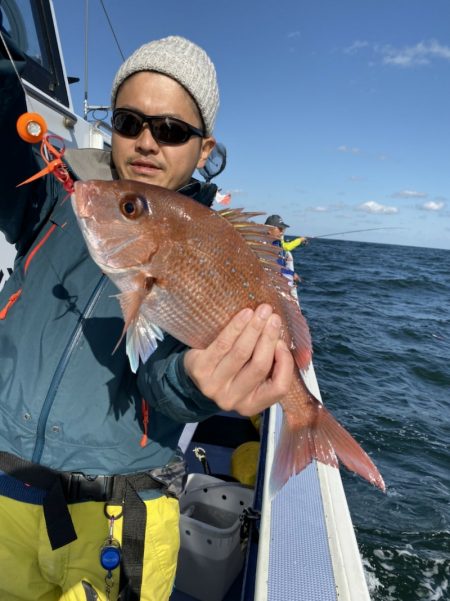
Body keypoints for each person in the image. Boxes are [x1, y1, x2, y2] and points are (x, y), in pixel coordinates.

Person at [0, 35, 294, 601]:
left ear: (203, 148)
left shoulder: (209, 242)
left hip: (119, 514)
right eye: (130, 121)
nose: (146, 142)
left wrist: (197, 382)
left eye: (172, 130)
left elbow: (161, 381)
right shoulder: (55, 202)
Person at [264, 214, 306, 301]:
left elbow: (284, 248)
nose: (282, 231)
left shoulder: (276, 241)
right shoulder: (269, 246)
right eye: (279, 229)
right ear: (269, 230)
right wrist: (292, 274)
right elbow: (276, 268)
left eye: (283, 229)